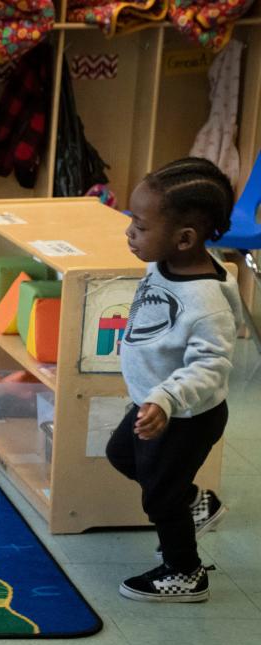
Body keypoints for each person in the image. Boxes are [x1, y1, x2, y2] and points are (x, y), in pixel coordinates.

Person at [109, 157, 241, 603]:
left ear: (185, 238)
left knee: (159, 498)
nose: (130, 232)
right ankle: (195, 502)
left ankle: (185, 572)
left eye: (140, 225)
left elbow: (212, 368)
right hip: (155, 403)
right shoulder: (166, 261)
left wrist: (165, 399)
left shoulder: (207, 302)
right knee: (122, 455)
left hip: (185, 415)